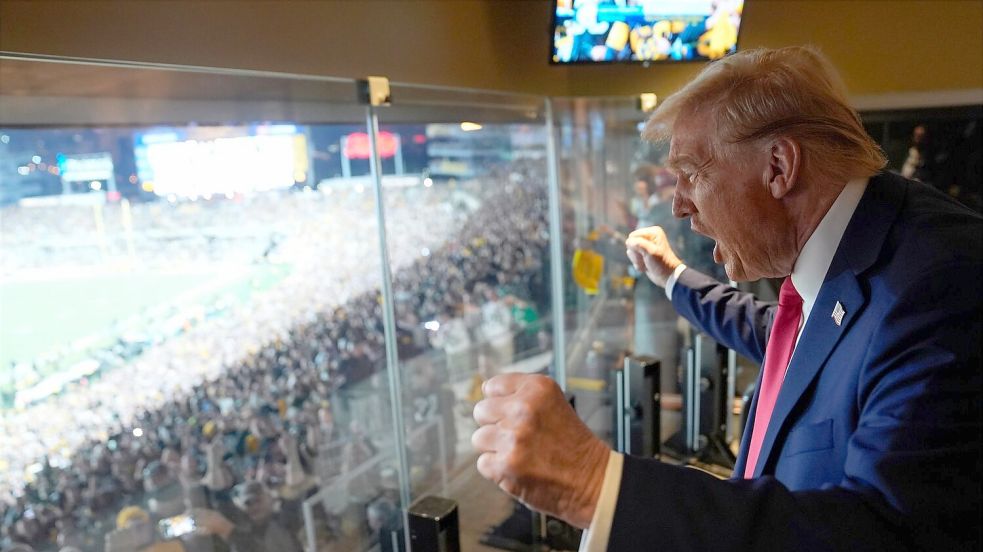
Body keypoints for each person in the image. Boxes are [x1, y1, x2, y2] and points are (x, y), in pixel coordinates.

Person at [471, 46, 981, 551]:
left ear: (779, 166)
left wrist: (592, 483)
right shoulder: (861, 242)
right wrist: (674, 277)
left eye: (692, 173)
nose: (677, 204)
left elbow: (886, 531)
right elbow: (793, 342)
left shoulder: (943, 285)